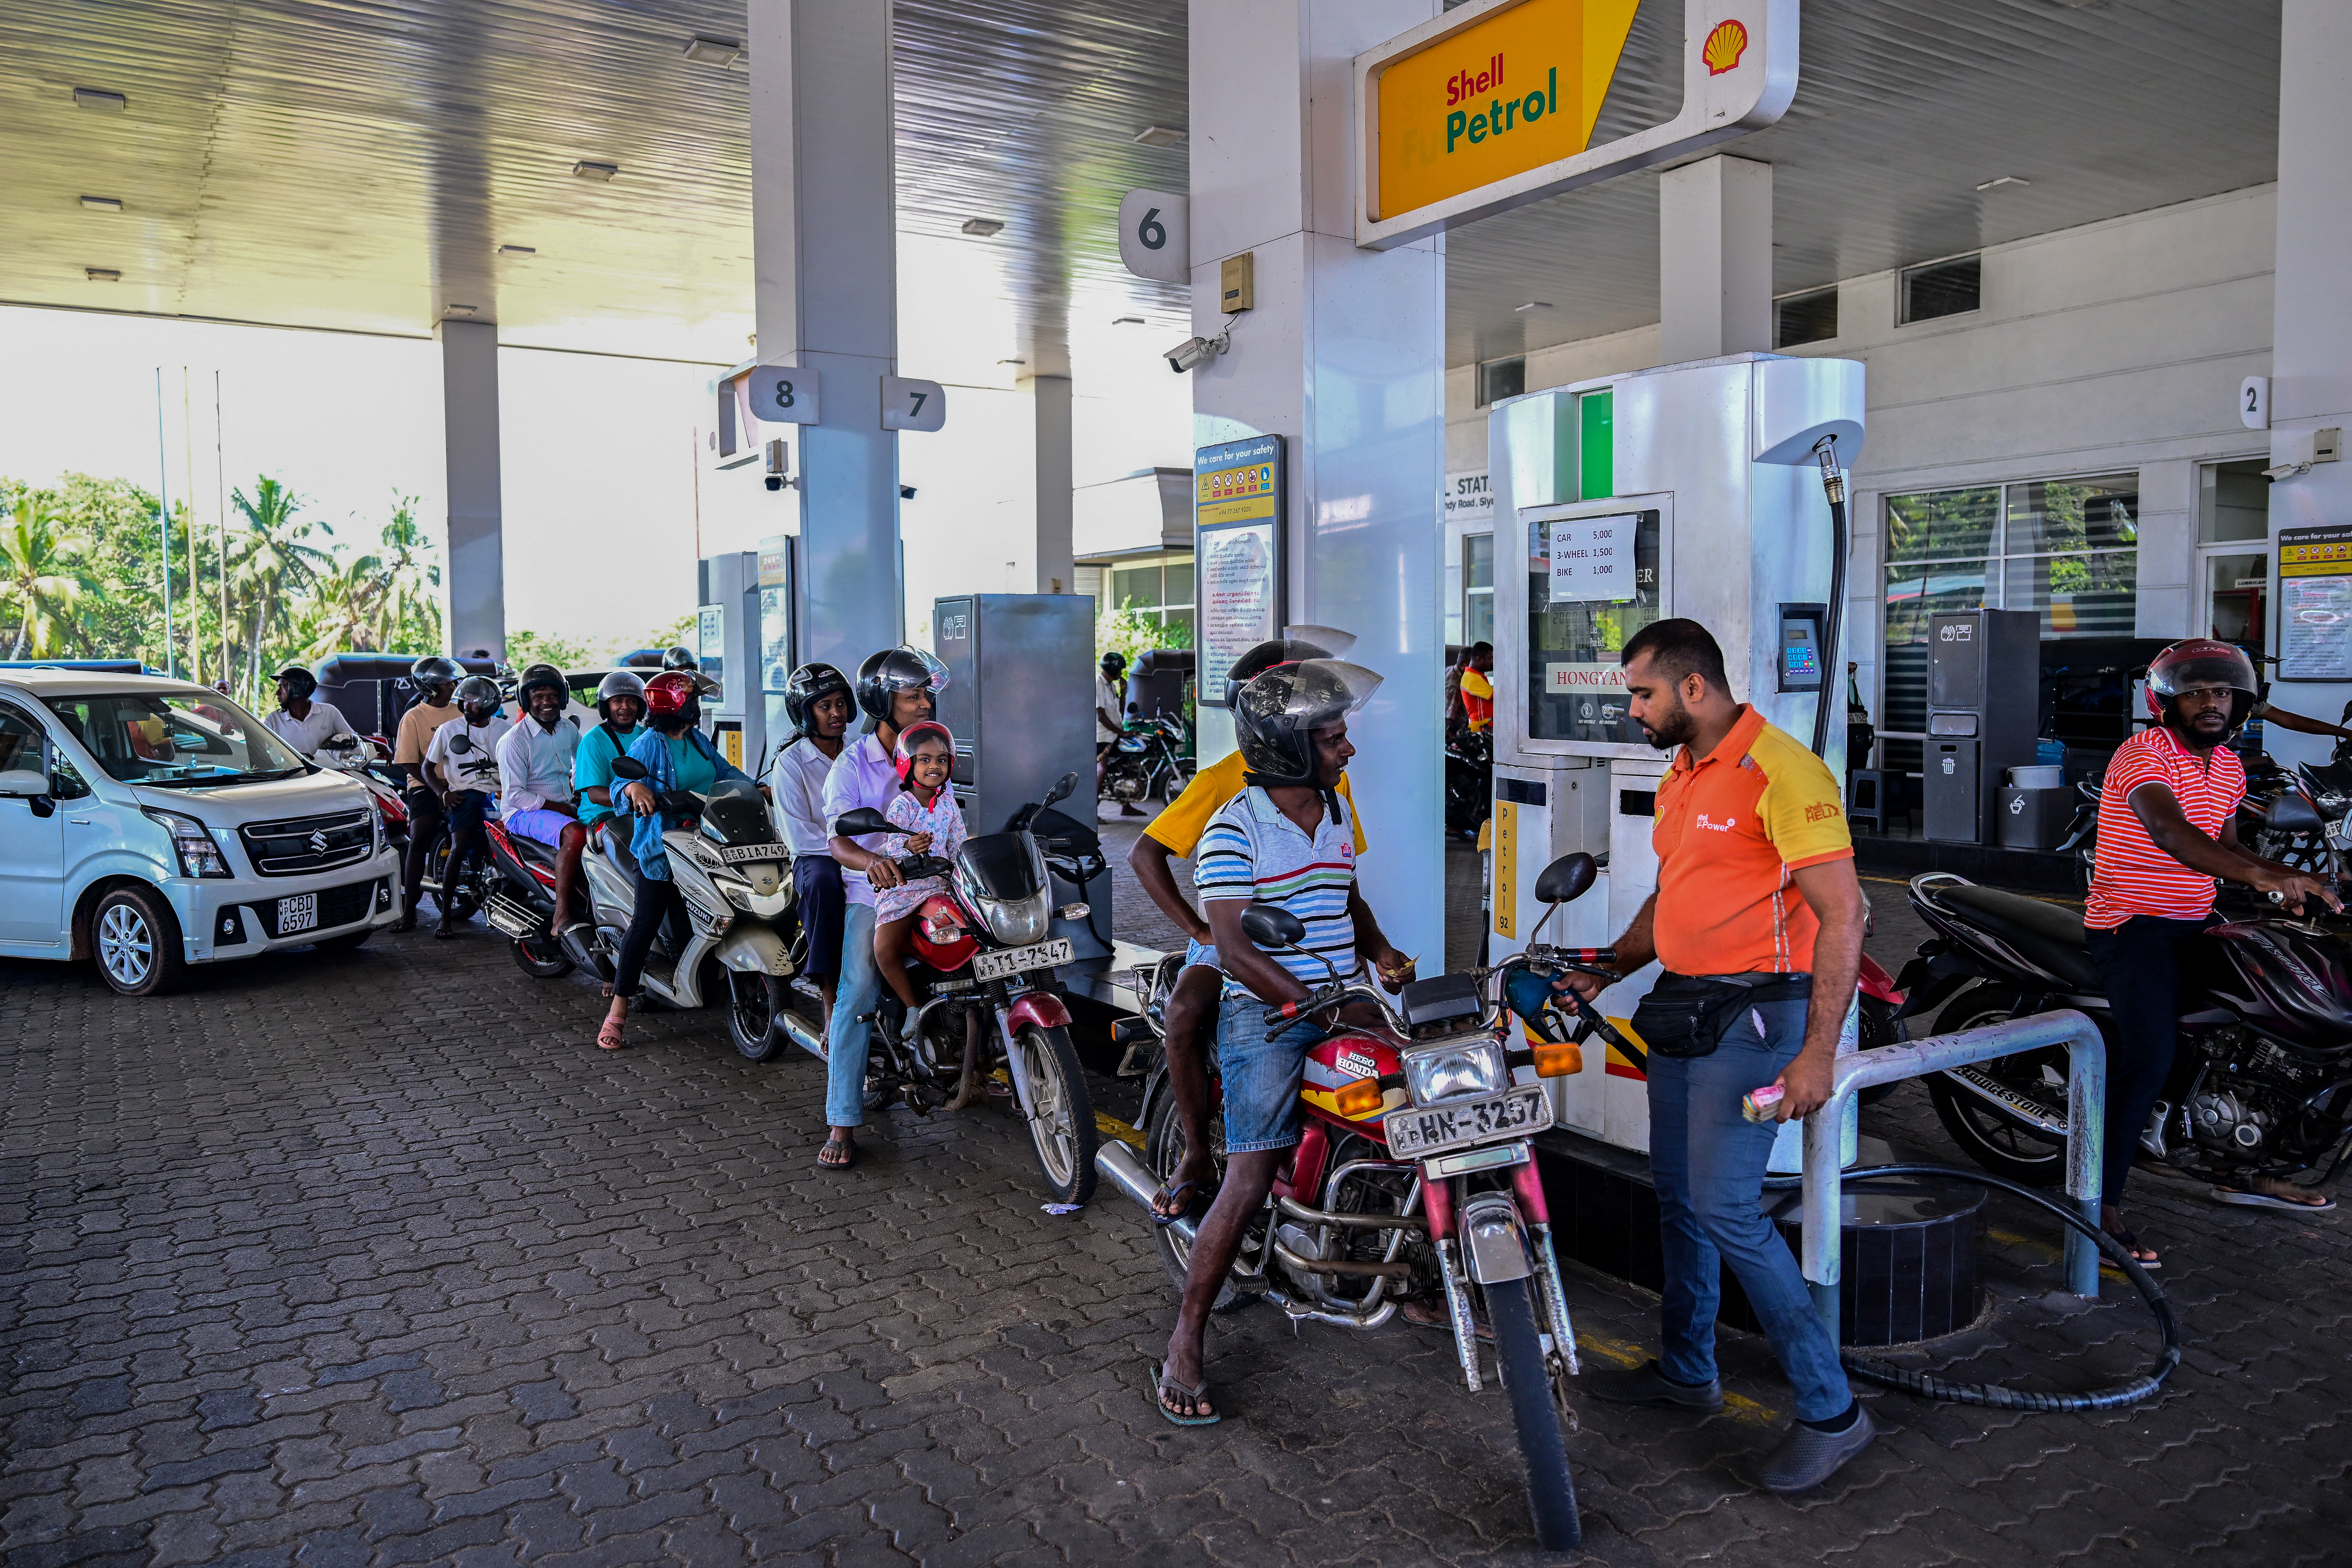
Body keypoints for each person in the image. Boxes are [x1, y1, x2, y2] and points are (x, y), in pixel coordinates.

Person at [1557, 617, 1873, 1494]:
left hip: (1759, 1018)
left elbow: (1844, 915)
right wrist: (1608, 967)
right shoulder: (1683, 771)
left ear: (1692, 687)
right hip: (1687, 1009)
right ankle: (1687, 1370)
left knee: (1727, 1207)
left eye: (1641, 692)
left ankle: (1831, 1411)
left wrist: (1818, 1053)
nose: (1632, 709)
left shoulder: (1783, 769)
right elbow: (1678, 887)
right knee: (1678, 1196)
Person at [1153, 657, 1412, 1427]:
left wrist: (1382, 951)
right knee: (1250, 1173)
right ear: (1292, 749)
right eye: (1334, 739)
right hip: (1264, 1015)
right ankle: (1185, 1343)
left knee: (1422, 1108)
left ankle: (1422, 1279)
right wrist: (1308, 1004)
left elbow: (1347, 897)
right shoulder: (1235, 828)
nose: (1348, 750)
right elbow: (1232, 949)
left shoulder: (1331, 813)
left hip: (1342, 1001)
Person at [2086, 639, 2340, 1261]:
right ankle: (2099, 1206)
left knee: (2254, 1034)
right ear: (2167, 701)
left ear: (2240, 702)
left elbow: (2225, 846)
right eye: (2196, 692)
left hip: (2195, 920)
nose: (2210, 703)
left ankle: (2241, 1165)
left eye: (2222, 693)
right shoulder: (2141, 753)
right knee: (2148, 1059)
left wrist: (2295, 879)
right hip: (2131, 926)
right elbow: (2171, 833)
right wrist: (2261, 879)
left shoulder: (2226, 767)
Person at [1126, 625, 1371, 1226]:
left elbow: (1345, 885)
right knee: (1185, 1014)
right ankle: (1193, 1151)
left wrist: (1376, 951)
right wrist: (1198, 930)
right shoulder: (1220, 782)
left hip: (1303, 950)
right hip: (1233, 936)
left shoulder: (1327, 788)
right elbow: (1144, 855)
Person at [818, 645, 949, 1169]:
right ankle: (842, 1119)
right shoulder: (852, 764)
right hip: (875, 893)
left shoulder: (936, 749)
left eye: (925, 696)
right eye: (912, 697)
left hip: (935, 884)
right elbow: (836, 839)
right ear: (881, 701)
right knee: (857, 992)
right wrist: (869, 860)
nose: (923, 705)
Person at [599, 671, 759, 1051]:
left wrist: (757, 787)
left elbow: (725, 773)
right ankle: (617, 1012)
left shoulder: (697, 740)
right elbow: (621, 784)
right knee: (644, 924)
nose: (698, 708)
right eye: (692, 702)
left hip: (706, 846)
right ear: (676, 705)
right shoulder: (650, 744)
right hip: (661, 852)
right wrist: (635, 787)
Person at [769, 662, 854, 1030]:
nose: (836, 713)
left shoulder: (862, 752)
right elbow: (800, 835)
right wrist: (855, 857)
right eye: (825, 707)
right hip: (817, 857)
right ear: (806, 714)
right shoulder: (790, 763)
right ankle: (829, 998)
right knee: (823, 884)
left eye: (840, 703)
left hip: (870, 853)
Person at [871, 721, 968, 1012]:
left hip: (942, 887)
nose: (934, 766)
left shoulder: (949, 805)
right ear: (908, 764)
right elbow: (892, 844)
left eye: (941, 760)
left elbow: (959, 846)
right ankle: (913, 1009)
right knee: (884, 949)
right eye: (924, 760)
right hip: (907, 887)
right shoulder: (903, 805)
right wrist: (909, 847)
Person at [494, 664, 588, 933]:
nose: (546, 703)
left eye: (552, 696)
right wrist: (564, 808)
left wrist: (582, 790)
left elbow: (581, 763)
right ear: (527, 701)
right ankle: (561, 914)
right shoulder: (515, 741)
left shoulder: (567, 729)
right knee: (575, 834)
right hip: (521, 814)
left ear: (562, 697)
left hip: (564, 806)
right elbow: (515, 795)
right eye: (538, 697)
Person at [421, 675, 512, 939]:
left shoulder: (504, 729)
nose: (467, 706)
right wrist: (443, 793)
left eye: (474, 702)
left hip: (500, 794)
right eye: (465, 701)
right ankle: (446, 916)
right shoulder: (448, 730)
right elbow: (428, 767)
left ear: (489, 704)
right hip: (465, 795)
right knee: (459, 846)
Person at [392, 656, 463, 932]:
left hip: (459, 784)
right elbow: (409, 761)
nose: (454, 686)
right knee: (419, 837)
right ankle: (409, 911)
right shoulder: (414, 717)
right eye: (448, 683)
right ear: (433, 687)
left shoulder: (461, 712)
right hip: (424, 784)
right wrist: (437, 789)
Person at [572, 671, 648, 880]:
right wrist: (633, 798)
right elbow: (595, 794)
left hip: (641, 816)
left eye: (632, 701)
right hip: (603, 819)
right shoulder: (593, 741)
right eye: (618, 701)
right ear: (606, 706)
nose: (625, 707)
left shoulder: (646, 736)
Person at [262, 664, 361, 766]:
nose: (277, 693)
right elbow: (259, 749)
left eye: (282, 687)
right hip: (290, 778)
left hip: (325, 776)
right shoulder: (273, 720)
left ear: (296, 689)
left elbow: (353, 739)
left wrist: (376, 745)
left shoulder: (330, 712)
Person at [1097, 650, 1142, 816]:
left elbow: (1119, 713)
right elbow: (1100, 716)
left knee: (1128, 764)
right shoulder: (1099, 685)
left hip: (1115, 735)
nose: (1121, 674)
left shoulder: (1111, 687)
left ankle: (1126, 805)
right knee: (1102, 768)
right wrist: (1122, 733)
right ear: (1114, 670)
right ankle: (1092, 814)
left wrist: (1124, 692)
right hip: (1102, 737)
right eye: (1120, 670)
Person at [1456, 641, 1495, 733]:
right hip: (1482, 729)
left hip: (1487, 727)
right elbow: (1496, 696)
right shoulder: (1471, 678)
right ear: (1479, 660)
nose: (1492, 662)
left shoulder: (1477, 676)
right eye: (1490, 659)